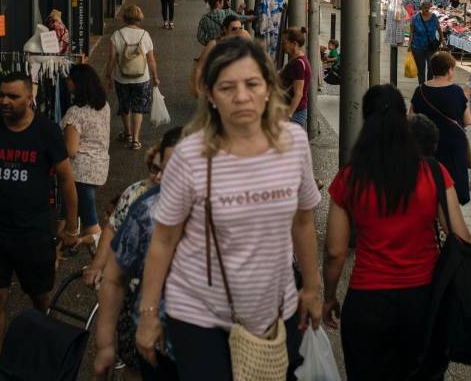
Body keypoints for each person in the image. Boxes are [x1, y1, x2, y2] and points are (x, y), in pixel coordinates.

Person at [136, 38, 324, 379]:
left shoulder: (293, 142)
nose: (241, 96)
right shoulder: (190, 155)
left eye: (252, 84)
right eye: (227, 87)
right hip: (198, 311)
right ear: (210, 95)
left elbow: (302, 221)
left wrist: (311, 287)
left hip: (273, 309)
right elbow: (163, 240)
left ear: (268, 88)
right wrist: (148, 314)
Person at [322, 86, 471, 381]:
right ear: (404, 118)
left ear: (366, 120)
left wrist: (329, 296)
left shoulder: (349, 177)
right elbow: (462, 238)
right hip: (423, 302)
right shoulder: (434, 172)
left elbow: (335, 251)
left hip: (368, 303)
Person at [0, 73, 80, 380]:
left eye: (13, 96)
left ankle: (45, 360)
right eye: (2, 95)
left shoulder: (46, 130)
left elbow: (66, 179)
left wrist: (72, 227)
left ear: (30, 98)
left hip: (34, 231)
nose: (5, 101)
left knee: (40, 298)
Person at [93, 126, 185, 381]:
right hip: (157, 348)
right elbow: (115, 277)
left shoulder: (235, 210)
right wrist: (105, 345)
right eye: (164, 169)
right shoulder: (146, 210)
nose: (166, 179)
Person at [410, 51, 471, 205]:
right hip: (452, 147)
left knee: (430, 187)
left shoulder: (420, 90)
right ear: (449, 69)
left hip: (428, 146)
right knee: (451, 190)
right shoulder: (457, 91)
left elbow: (411, 118)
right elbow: (466, 120)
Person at [62, 64, 113, 251]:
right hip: (99, 166)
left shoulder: (75, 113)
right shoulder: (104, 106)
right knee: (72, 213)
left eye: (70, 79)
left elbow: (71, 149)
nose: (66, 81)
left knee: (90, 221)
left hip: (80, 171)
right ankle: (61, 249)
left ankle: (102, 259)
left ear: (78, 83)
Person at [106, 4, 159, 150]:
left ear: (125, 17)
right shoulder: (145, 35)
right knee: (138, 107)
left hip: (121, 78)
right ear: (139, 17)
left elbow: (111, 59)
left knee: (125, 105)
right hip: (142, 78)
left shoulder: (117, 35)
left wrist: (108, 76)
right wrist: (155, 76)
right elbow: (151, 60)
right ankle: (135, 140)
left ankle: (127, 133)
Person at [190, 14, 248, 97]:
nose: (237, 32)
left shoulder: (242, 43)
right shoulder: (214, 44)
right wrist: (196, 88)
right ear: (225, 29)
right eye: (234, 29)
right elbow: (200, 67)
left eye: (240, 28)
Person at [279, 26, 312, 129]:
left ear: (295, 44)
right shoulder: (297, 59)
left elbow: (298, 93)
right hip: (294, 111)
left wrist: (288, 115)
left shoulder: (298, 64)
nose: (283, 46)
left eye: (285, 43)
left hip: (295, 113)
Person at [409, 1, 442, 83]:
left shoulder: (434, 17)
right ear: (421, 7)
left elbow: (439, 29)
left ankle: (429, 86)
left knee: (431, 68)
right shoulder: (415, 18)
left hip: (431, 47)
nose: (427, 9)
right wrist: (409, 44)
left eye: (428, 8)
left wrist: (442, 41)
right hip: (417, 47)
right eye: (425, 8)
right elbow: (411, 32)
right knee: (421, 70)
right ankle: (422, 87)